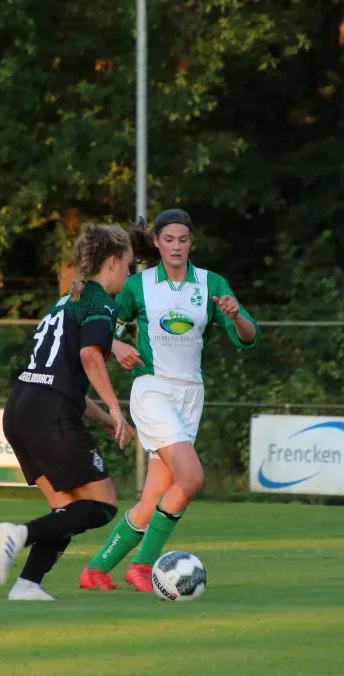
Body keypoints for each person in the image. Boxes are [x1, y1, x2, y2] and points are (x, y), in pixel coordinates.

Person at [79, 209, 260, 592]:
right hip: (153, 389)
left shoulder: (211, 283)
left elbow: (248, 336)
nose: (176, 246)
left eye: (183, 239)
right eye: (169, 239)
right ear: (157, 243)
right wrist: (116, 344)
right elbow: (99, 325)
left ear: (191, 243)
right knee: (191, 478)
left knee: (154, 498)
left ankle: (96, 569)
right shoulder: (138, 285)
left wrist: (234, 316)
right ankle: (142, 565)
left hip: (190, 394)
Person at [0, 223, 137, 600]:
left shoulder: (66, 299)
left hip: (20, 407)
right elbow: (90, 356)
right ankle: (19, 533)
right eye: (128, 265)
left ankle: (27, 585)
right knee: (101, 505)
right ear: (112, 262)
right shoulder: (100, 302)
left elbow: (61, 378)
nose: (129, 273)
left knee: (66, 509)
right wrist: (115, 408)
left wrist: (105, 421)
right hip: (48, 411)